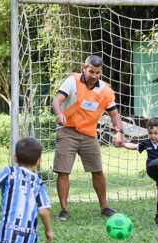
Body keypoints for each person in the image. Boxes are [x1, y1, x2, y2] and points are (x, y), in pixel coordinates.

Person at [52, 55, 124, 221]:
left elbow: (114, 114)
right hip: (68, 131)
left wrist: (119, 131)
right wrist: (59, 113)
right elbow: (57, 100)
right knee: (63, 172)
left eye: (97, 73)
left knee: (97, 171)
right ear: (84, 68)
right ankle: (64, 209)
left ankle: (104, 207)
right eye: (91, 71)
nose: (94, 75)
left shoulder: (105, 90)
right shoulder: (72, 81)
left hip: (89, 135)